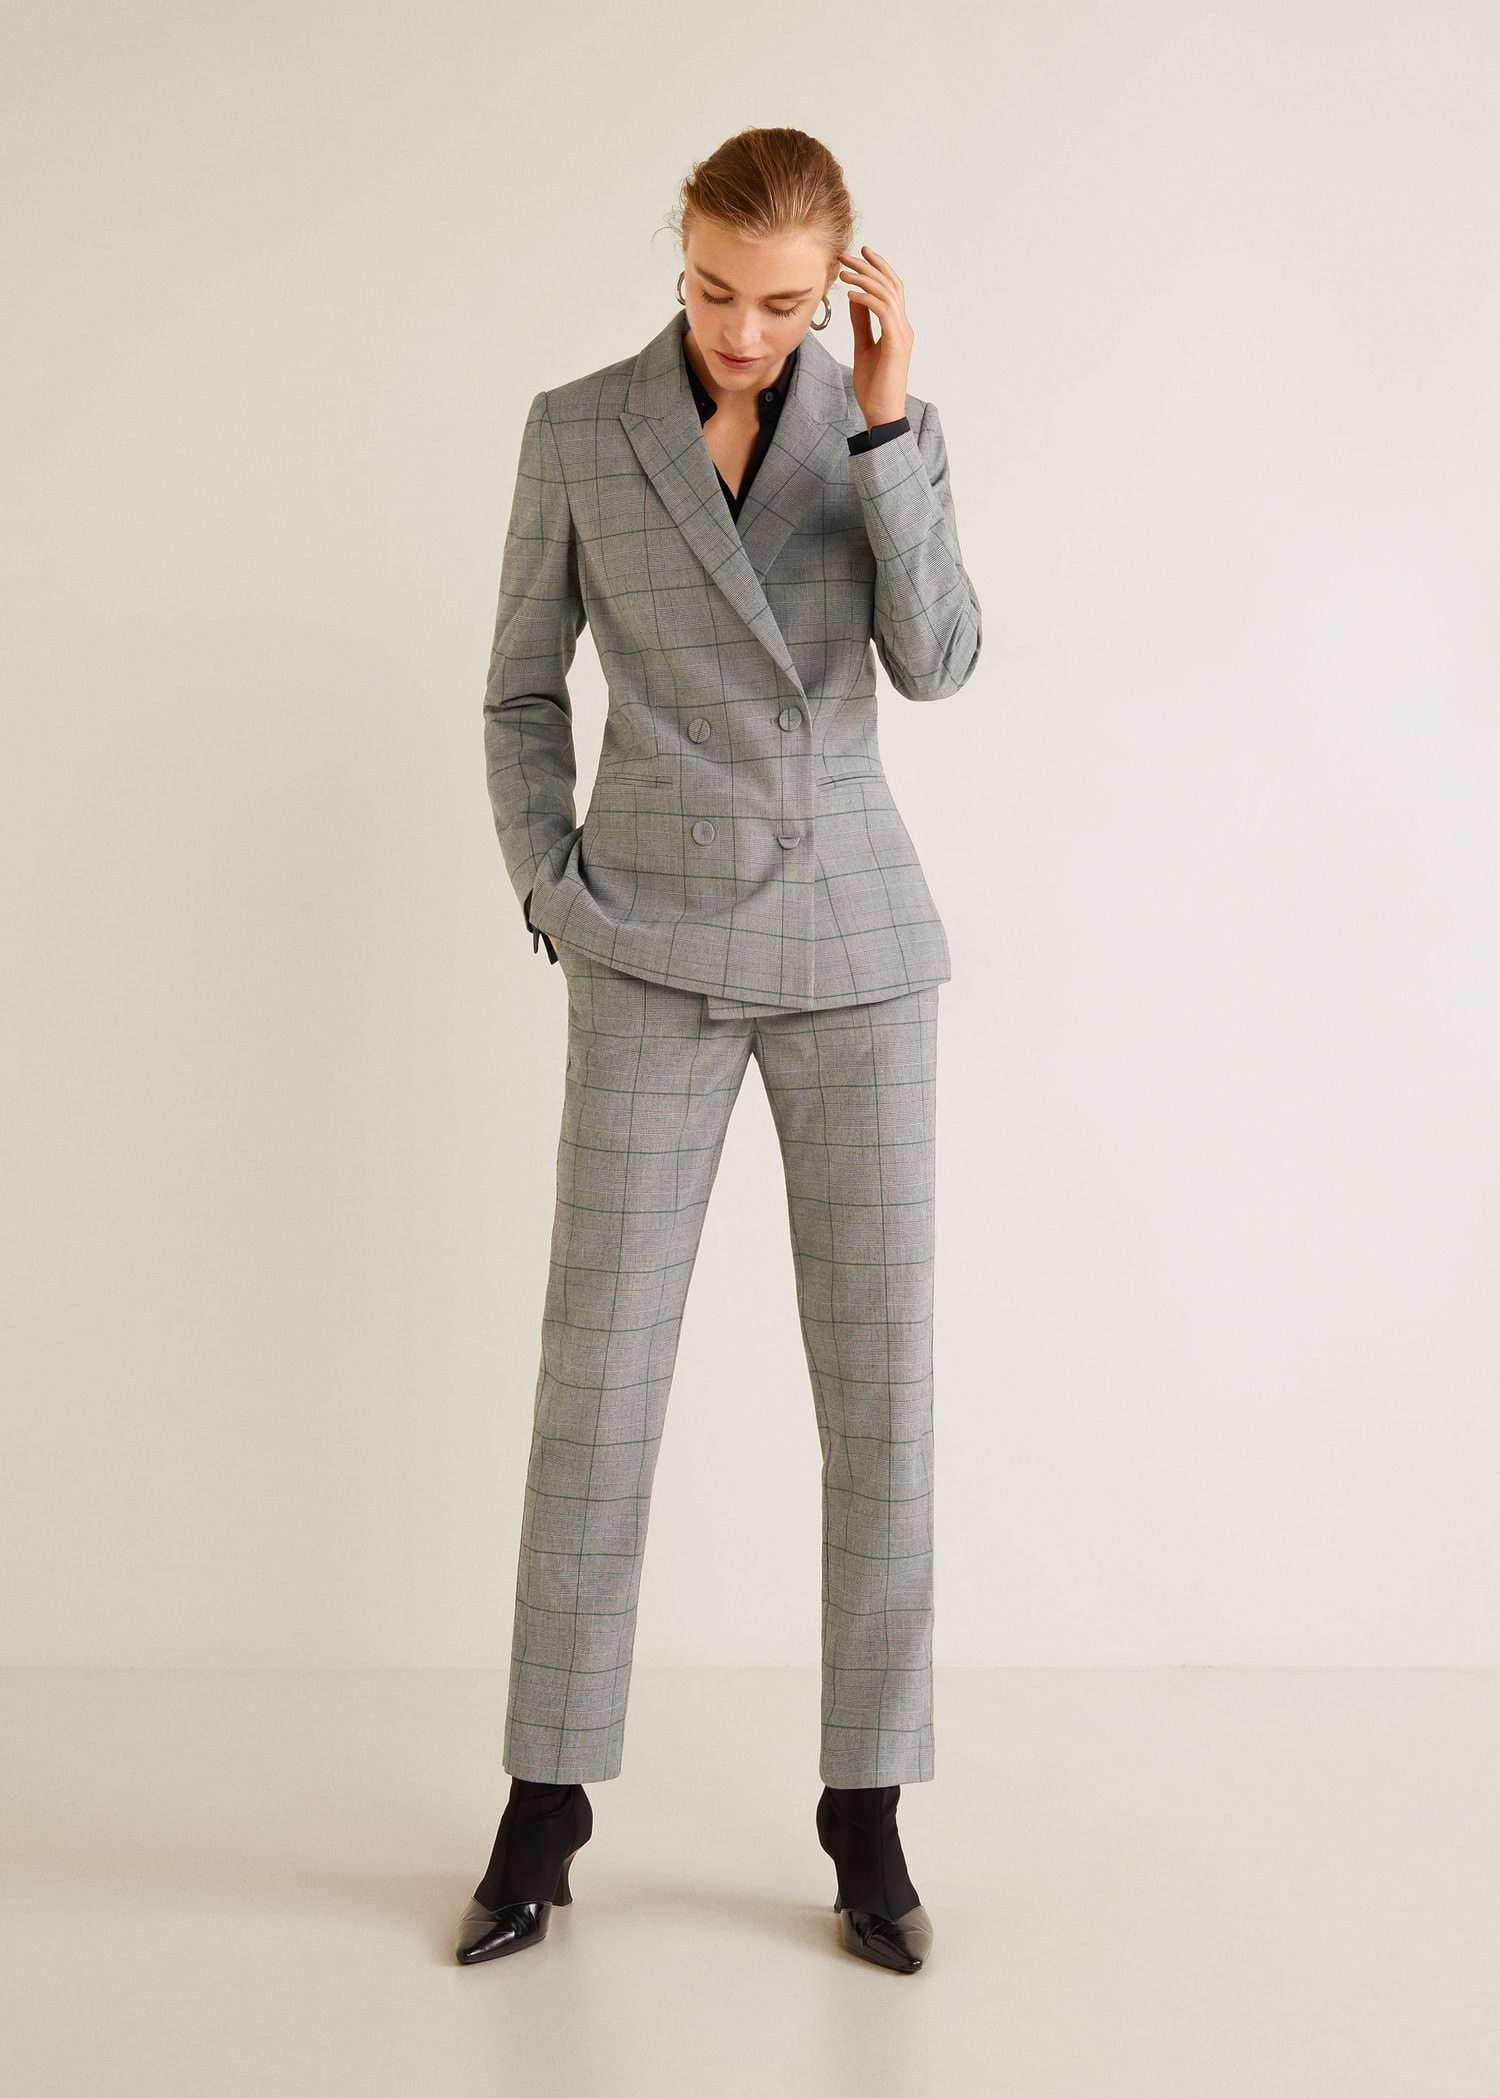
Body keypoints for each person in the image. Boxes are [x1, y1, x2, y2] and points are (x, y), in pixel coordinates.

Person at [458, 125, 982, 1976]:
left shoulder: (875, 426)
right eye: (710, 291)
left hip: (854, 950)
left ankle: (868, 1807)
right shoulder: (579, 429)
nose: (743, 331)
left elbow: (940, 660)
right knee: (596, 1379)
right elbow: (520, 688)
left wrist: (891, 426)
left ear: (838, 285)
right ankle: (543, 1802)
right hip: (652, 947)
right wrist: (558, 887)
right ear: (674, 257)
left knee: (880, 1386)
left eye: (781, 303)